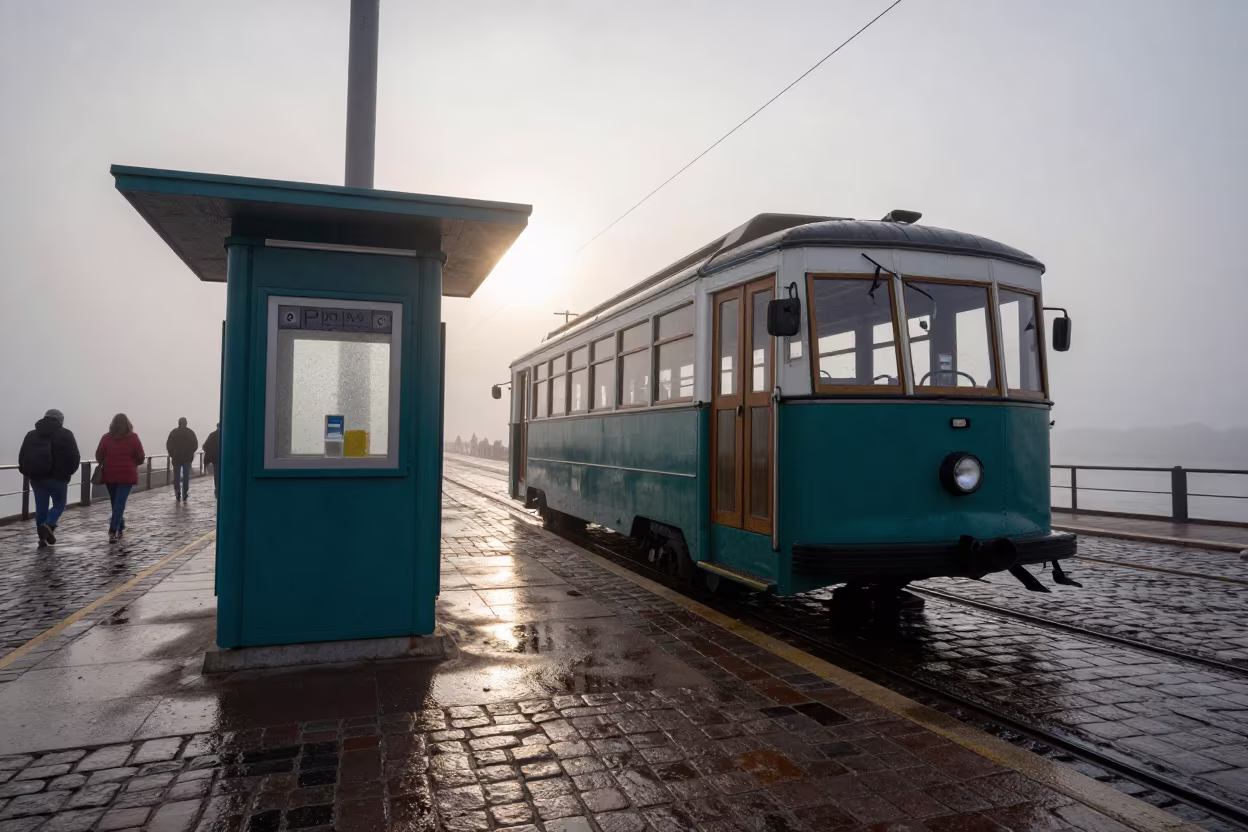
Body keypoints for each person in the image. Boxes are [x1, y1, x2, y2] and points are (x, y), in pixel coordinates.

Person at [17, 409, 81, 549]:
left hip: (36, 478)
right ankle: (48, 524)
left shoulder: (31, 435)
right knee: (59, 504)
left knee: (41, 508)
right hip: (59, 478)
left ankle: (42, 538)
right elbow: (74, 457)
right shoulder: (66, 434)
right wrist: (69, 472)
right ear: (60, 420)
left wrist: (26, 472)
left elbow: (22, 456)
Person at [96, 414, 145, 543]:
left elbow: (99, 455)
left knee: (115, 502)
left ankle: (118, 525)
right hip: (127, 475)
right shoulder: (133, 438)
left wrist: (106, 461)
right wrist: (133, 462)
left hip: (110, 473)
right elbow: (141, 457)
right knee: (120, 502)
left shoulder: (106, 438)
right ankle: (114, 528)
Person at [165, 418, 199, 502]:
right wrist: (190, 452)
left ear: (178, 423)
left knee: (176, 477)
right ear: (186, 423)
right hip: (187, 458)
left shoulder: (174, 433)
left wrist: (172, 454)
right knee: (186, 477)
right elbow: (195, 444)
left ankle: (177, 493)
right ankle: (185, 493)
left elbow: (168, 444)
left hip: (176, 458)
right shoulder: (190, 433)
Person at [202, 423, 220, 498]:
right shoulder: (228, 435)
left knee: (216, 474)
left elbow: (205, 446)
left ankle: (217, 488)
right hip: (224, 459)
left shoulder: (212, 435)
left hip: (215, 458)